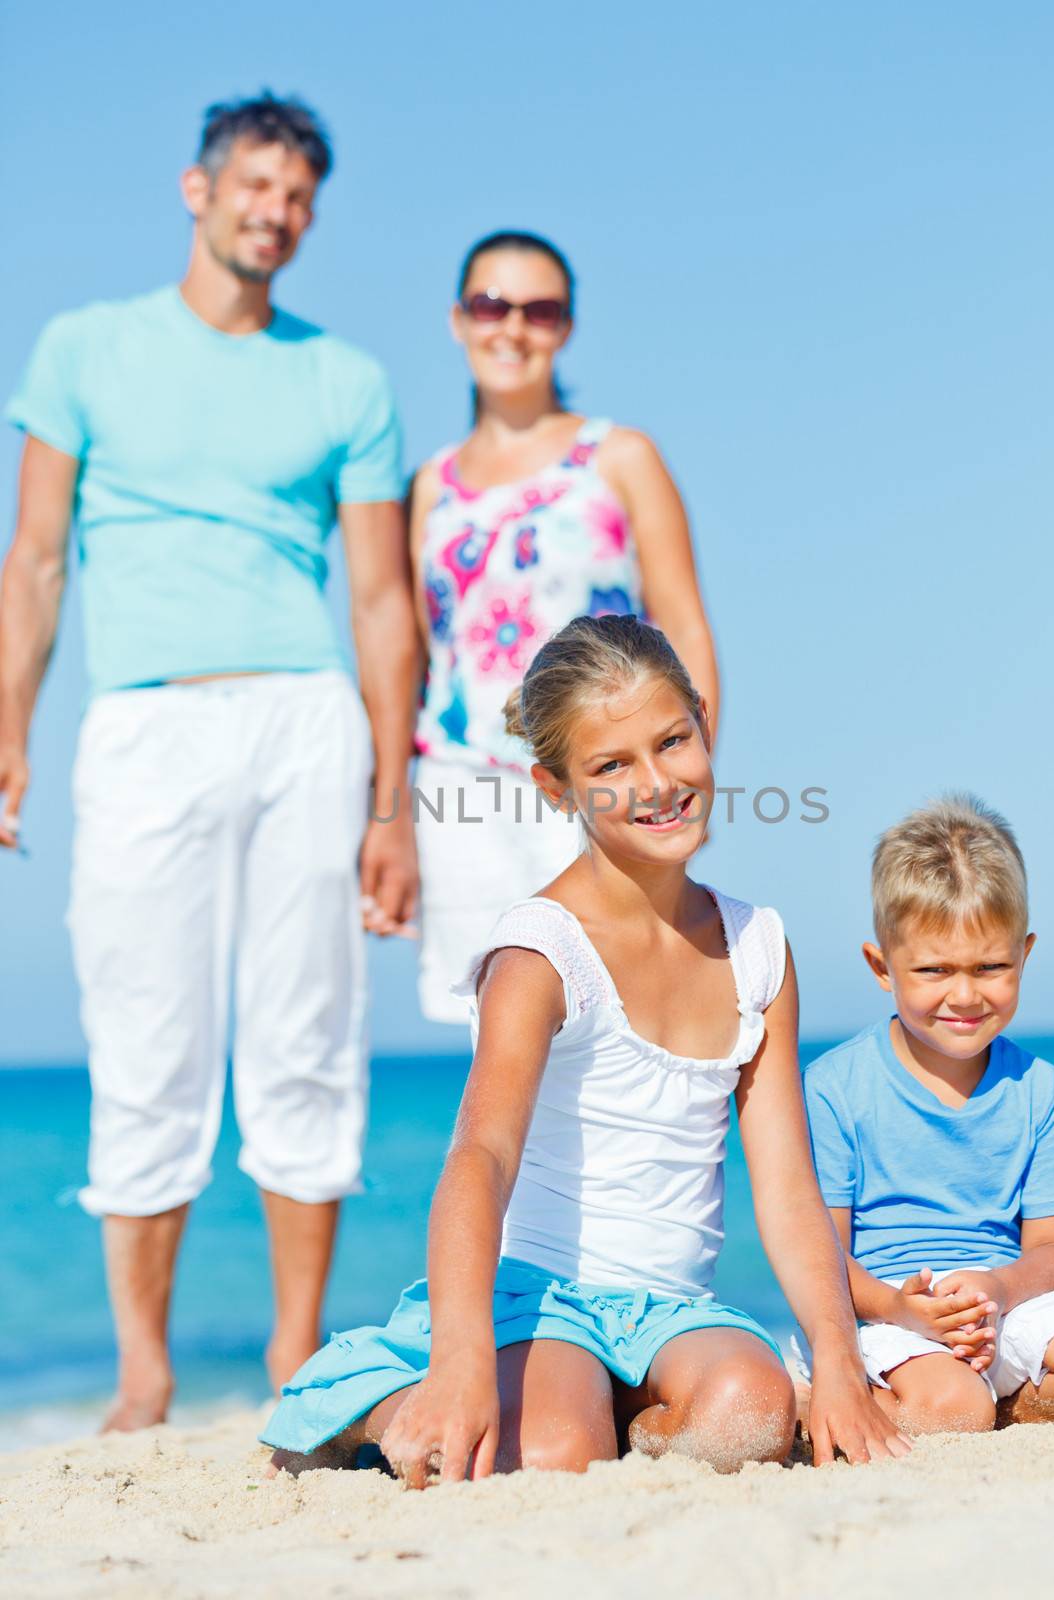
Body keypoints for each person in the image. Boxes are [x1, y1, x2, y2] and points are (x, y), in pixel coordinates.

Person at [0, 93, 421, 1430]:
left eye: (296, 196)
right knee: (145, 1042)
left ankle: (297, 1358)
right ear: (197, 189)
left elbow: (379, 601)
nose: (273, 213)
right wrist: (7, 728)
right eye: (253, 185)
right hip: (141, 723)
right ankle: (143, 1373)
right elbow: (37, 559)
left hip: (305, 722)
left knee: (306, 1037)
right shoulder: (85, 348)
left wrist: (393, 802)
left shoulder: (344, 379)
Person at [262, 615, 907, 1480]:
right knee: (556, 1450)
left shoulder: (758, 947)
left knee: (751, 1411)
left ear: (704, 725)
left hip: (673, 1310)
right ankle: (375, 1396)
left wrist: (837, 1358)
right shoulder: (541, 952)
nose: (656, 783)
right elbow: (480, 1159)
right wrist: (462, 1361)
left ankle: (621, 1413)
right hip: (539, 1299)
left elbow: (788, 1185)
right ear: (557, 787)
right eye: (610, 766)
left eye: (672, 741)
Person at [406, 230, 718, 1024]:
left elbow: (682, 621)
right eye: (490, 305)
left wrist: (691, 781)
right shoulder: (427, 488)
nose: (512, 327)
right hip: (458, 784)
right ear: (458, 320)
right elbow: (419, 650)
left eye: (539, 310)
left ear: (566, 327)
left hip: (602, 778)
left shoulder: (620, 456)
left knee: (615, 1007)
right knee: (496, 1023)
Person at [801, 795, 1054, 1432]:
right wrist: (901, 1309)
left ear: (1025, 955)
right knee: (952, 1403)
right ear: (882, 966)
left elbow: (1053, 1248)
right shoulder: (836, 1086)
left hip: (1003, 1311)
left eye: (991, 967)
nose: (965, 995)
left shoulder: (1040, 1090)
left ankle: (1003, 1411)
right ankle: (833, 1397)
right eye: (934, 970)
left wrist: (998, 1290)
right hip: (889, 1323)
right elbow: (819, 1253)